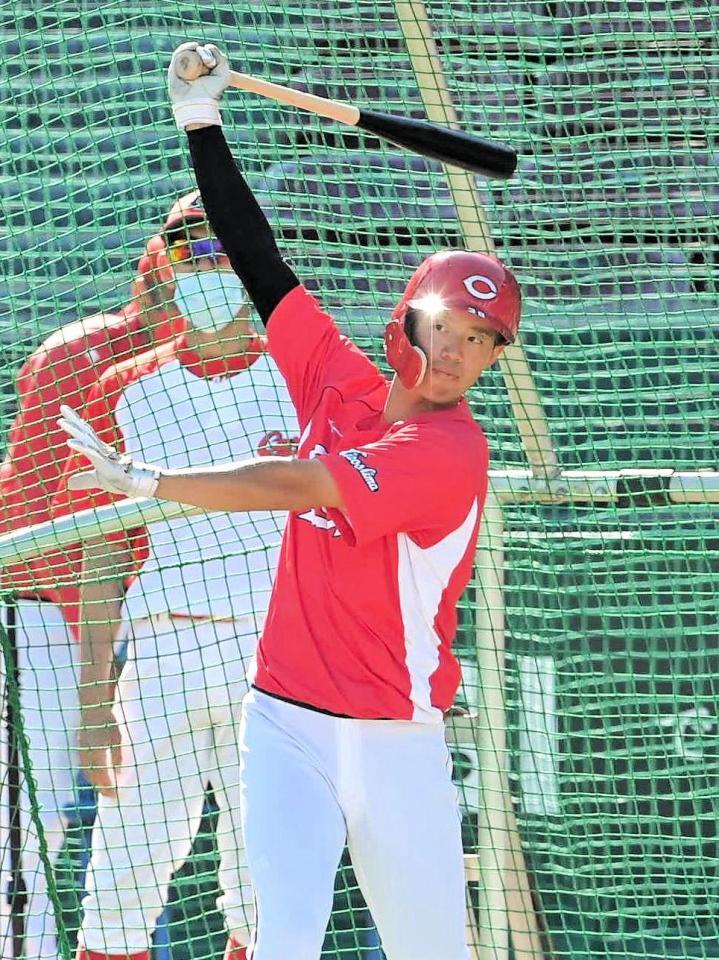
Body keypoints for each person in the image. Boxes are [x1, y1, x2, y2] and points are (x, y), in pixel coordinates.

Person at [58, 41, 522, 960]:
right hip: (283, 721)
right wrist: (200, 121)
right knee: (280, 939)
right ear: (406, 322)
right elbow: (261, 261)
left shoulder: (447, 450)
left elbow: (301, 484)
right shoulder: (335, 383)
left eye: (485, 342)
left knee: (432, 949)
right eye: (450, 329)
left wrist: (148, 484)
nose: (464, 354)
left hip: (394, 737)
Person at [51, 218, 298, 960]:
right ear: (161, 273)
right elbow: (98, 555)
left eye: (223, 256)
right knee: (122, 878)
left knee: (268, 882)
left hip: (280, 655)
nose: (208, 274)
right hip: (163, 653)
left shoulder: (305, 375)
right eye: (189, 257)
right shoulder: (121, 387)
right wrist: (94, 700)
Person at [0, 193, 199, 960]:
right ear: (151, 271)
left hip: (157, 629)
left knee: (149, 828)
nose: (186, 279)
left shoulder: (224, 373)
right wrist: (98, 668)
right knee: (31, 824)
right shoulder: (80, 352)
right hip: (46, 621)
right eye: (179, 258)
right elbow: (44, 520)